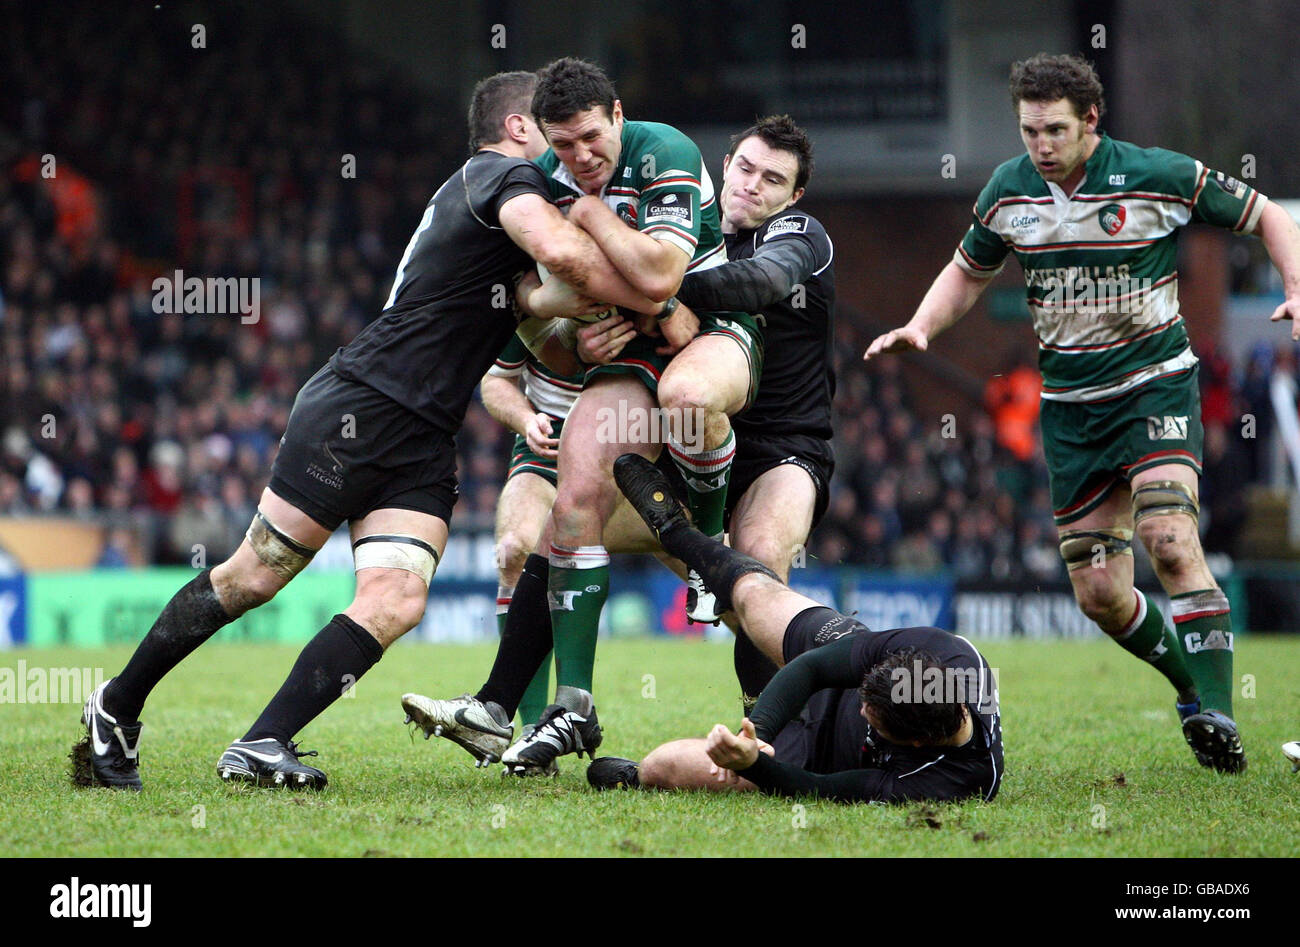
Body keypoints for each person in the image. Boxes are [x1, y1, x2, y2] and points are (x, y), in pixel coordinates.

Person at [71, 70, 679, 792]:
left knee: (396, 598)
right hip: (365, 402)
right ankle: (116, 705)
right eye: (551, 135)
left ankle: (263, 741)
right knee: (253, 575)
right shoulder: (496, 180)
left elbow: (541, 321)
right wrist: (664, 291)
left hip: (421, 435)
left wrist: (590, 339)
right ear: (519, 130)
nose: (564, 153)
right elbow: (571, 259)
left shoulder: (494, 216)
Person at [865, 53, 1300, 773]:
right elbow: (966, 272)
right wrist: (921, 326)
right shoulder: (1009, 192)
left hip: (1154, 390)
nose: (1040, 145)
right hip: (1070, 413)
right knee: (1100, 590)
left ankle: (1221, 712)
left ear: (1091, 120)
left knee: (1166, 534)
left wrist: (1294, 286)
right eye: (1029, 129)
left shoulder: (1158, 175)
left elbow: (1267, 217)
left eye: (1054, 130)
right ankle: (1193, 687)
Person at [402, 114, 838, 772]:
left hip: (781, 450)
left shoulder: (800, 235)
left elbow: (763, 284)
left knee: (757, 566)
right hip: (688, 450)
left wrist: (648, 289)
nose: (753, 185)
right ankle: (504, 709)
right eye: (745, 168)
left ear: (794, 195)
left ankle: (773, 733)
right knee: (570, 521)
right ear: (724, 166)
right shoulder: (686, 227)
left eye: (773, 179)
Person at [490, 57, 766, 773]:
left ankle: (708, 549)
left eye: (589, 138)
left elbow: (660, 275)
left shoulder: (663, 149)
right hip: (633, 347)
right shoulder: (539, 177)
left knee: (689, 397)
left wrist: (586, 216)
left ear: (617, 114)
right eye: (562, 144)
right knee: (574, 496)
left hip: (712, 326)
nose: (579, 158)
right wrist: (576, 336)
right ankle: (571, 705)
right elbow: (525, 298)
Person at [585, 453, 1001, 804]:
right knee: (759, 595)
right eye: (866, 699)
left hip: (815, 755)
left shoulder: (941, 783)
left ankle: (637, 775)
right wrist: (759, 732)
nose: (859, 707)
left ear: (913, 745)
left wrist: (754, 760)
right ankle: (677, 533)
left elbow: (815, 787)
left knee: (663, 767)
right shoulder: (947, 652)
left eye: (871, 720)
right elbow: (815, 668)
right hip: (840, 648)